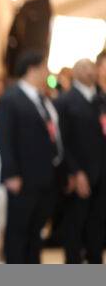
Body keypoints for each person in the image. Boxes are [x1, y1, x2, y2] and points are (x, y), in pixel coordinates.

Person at [0, 51, 63, 264]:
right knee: (18, 232)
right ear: (32, 69)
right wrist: (10, 174)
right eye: (44, 67)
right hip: (22, 178)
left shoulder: (42, 99)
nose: (47, 72)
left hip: (44, 177)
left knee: (36, 232)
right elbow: (4, 138)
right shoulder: (11, 98)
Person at [56, 59, 106, 263]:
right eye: (83, 68)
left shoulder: (101, 99)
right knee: (74, 227)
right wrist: (75, 171)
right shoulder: (65, 101)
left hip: (102, 174)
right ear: (75, 73)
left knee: (98, 226)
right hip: (79, 175)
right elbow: (62, 141)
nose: (89, 72)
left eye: (91, 67)